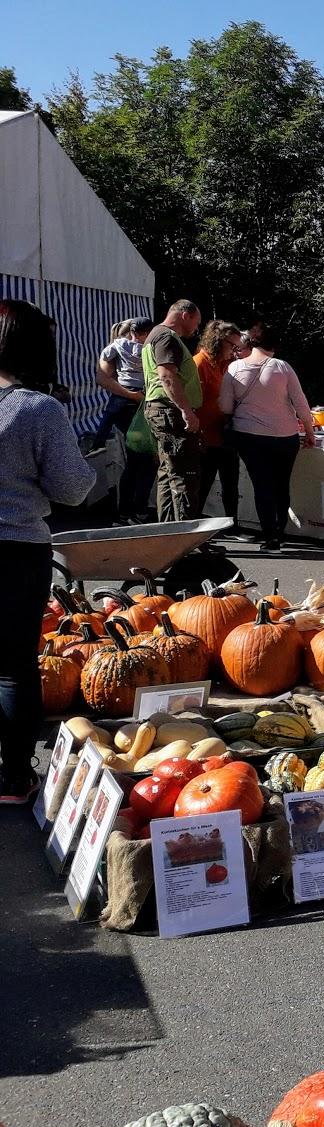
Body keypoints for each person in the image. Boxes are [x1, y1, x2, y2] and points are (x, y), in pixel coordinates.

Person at [0, 299, 95, 803]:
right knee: (14, 666)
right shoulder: (39, 409)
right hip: (14, 549)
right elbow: (73, 487)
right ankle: (14, 777)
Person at [219, 324, 316, 553]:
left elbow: (224, 406)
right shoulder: (282, 367)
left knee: (261, 485)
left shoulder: (234, 368)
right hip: (285, 435)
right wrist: (309, 431)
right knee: (282, 485)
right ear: (274, 345)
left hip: (249, 436)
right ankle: (280, 533)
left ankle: (270, 537)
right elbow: (300, 403)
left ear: (250, 342)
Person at [141, 300, 203, 521]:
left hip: (161, 410)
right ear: (186, 315)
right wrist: (186, 410)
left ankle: (168, 532)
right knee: (184, 475)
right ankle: (185, 536)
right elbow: (167, 376)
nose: (197, 328)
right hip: (170, 412)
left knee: (169, 473)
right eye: (197, 321)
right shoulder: (167, 337)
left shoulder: (154, 335)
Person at [194, 319, 244, 532]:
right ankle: (193, 526)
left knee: (231, 483)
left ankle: (232, 525)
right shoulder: (199, 363)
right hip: (205, 435)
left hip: (226, 434)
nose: (235, 350)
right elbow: (193, 402)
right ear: (218, 342)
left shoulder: (228, 365)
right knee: (202, 484)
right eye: (232, 345)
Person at [95, 317, 152, 435]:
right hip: (142, 391)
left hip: (123, 391)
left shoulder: (118, 346)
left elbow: (105, 359)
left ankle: (98, 441)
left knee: (109, 417)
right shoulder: (149, 348)